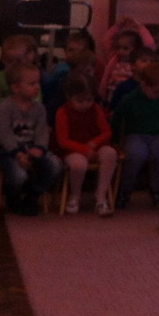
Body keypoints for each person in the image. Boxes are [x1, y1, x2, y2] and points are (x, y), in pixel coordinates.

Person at [0, 63, 61, 216]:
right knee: (18, 175)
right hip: (9, 150)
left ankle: (33, 194)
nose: (37, 87)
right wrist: (18, 154)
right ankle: (13, 199)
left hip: (32, 148)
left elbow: (42, 132)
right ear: (16, 88)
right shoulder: (5, 108)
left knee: (55, 165)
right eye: (32, 84)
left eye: (38, 83)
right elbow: (4, 135)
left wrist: (39, 148)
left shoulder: (39, 108)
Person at [54, 73, 118, 216]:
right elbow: (63, 140)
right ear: (69, 97)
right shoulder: (63, 112)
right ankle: (75, 196)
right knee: (79, 164)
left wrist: (94, 143)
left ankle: (101, 197)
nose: (85, 104)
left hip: (94, 146)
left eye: (89, 100)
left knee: (110, 153)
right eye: (80, 101)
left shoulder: (95, 109)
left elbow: (107, 132)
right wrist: (84, 149)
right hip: (73, 148)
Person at [113, 62, 159, 210]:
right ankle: (125, 190)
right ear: (144, 85)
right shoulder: (130, 99)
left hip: (157, 135)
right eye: (156, 92)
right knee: (136, 155)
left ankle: (157, 190)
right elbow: (117, 119)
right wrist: (115, 141)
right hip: (135, 134)